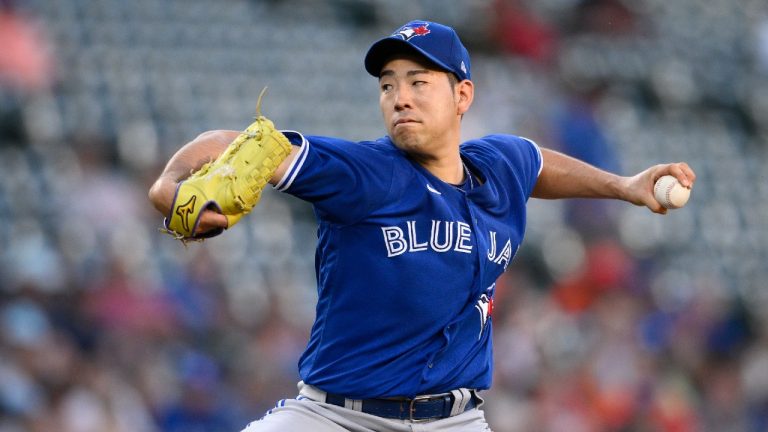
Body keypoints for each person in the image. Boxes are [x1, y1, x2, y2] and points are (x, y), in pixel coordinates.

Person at [148, 20, 696, 432]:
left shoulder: (498, 167)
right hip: (338, 418)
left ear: (463, 96)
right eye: (388, 86)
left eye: (418, 81)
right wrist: (169, 182)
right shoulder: (366, 173)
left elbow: (536, 164)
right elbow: (249, 145)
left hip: (455, 421)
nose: (400, 97)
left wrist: (624, 185)